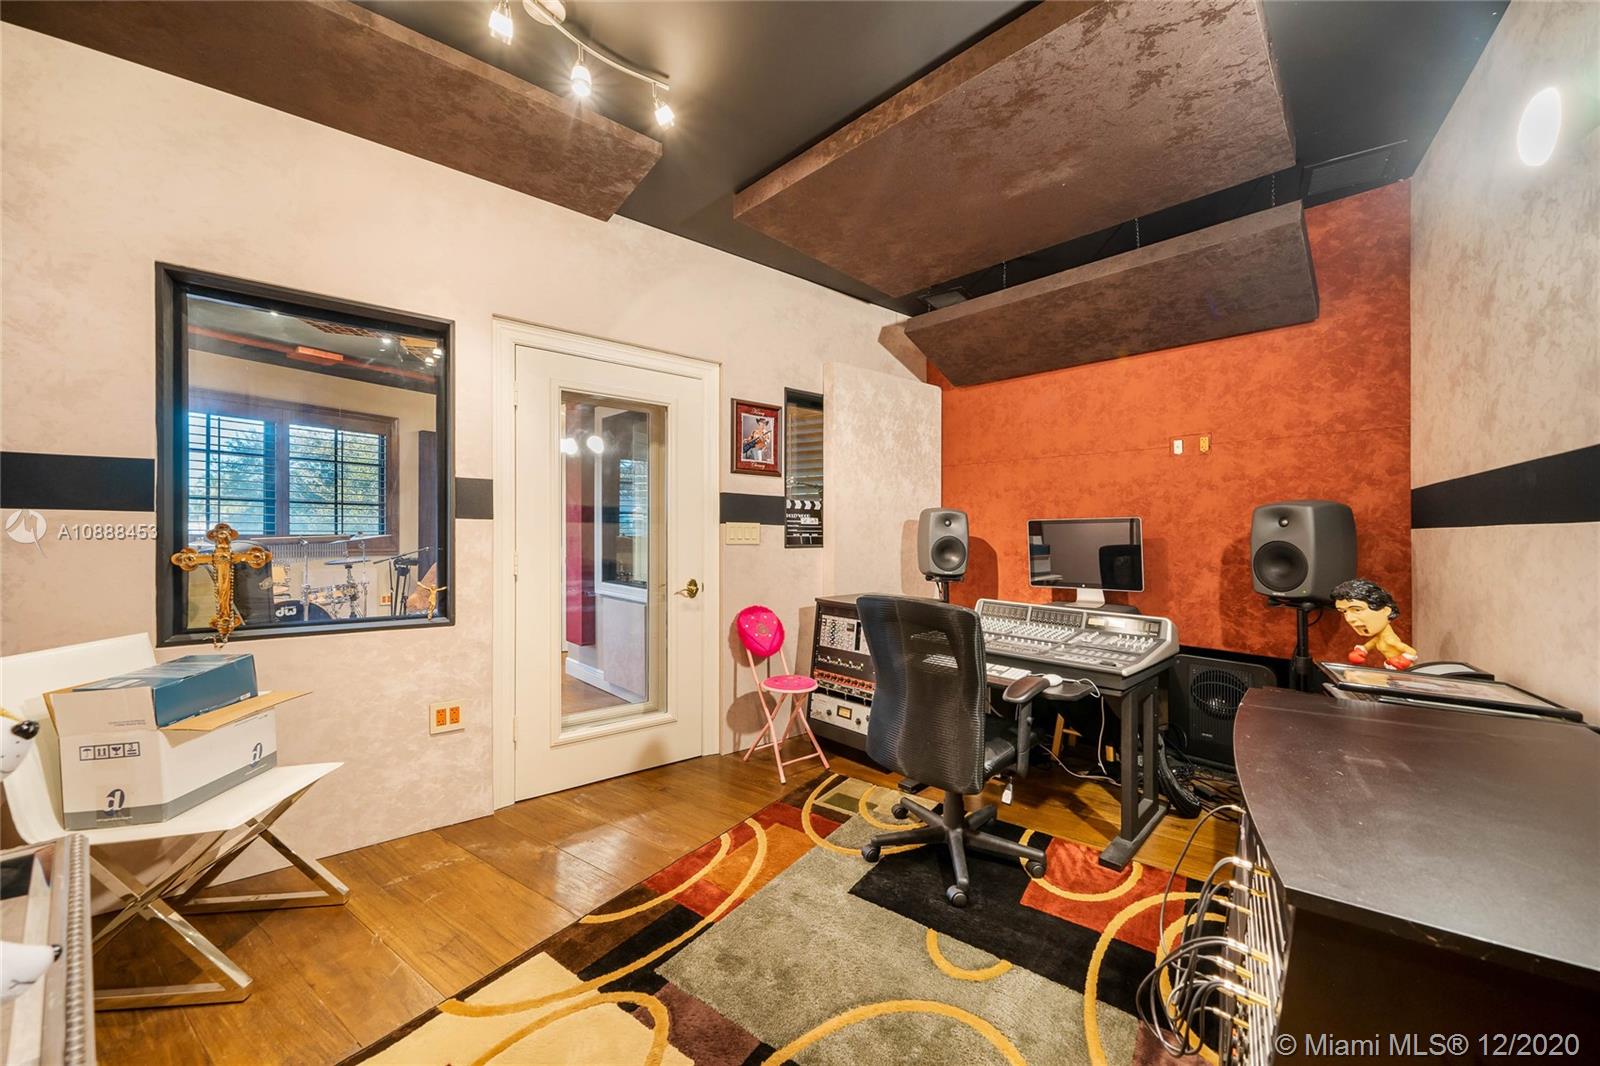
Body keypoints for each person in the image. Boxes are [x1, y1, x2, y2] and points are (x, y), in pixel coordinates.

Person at [1330, 578, 1417, 670]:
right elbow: (1368, 646)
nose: (1349, 619)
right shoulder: (1379, 638)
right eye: (1344, 611)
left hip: (1403, 670)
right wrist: (1361, 650)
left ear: (1386, 611)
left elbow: (1412, 652)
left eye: (1357, 609)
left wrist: (1403, 660)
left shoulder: (1390, 640)